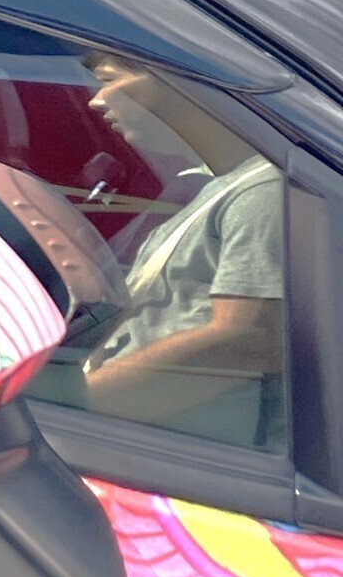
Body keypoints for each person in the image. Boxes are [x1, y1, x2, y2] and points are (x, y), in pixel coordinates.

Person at [79, 54, 284, 446]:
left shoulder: (262, 192)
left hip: (173, 452)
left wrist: (78, 401)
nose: (96, 100)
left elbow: (249, 340)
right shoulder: (216, 186)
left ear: (177, 80)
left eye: (108, 79)